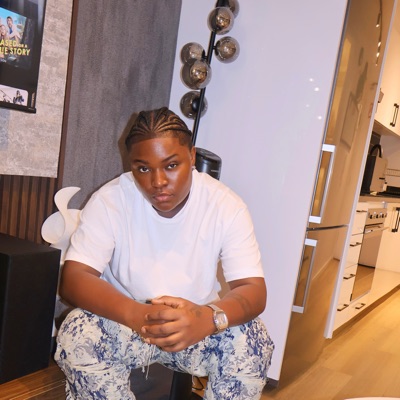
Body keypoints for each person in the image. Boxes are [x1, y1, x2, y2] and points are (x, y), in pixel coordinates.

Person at [54, 107, 274, 399]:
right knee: (78, 332)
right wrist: (139, 314)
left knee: (253, 339)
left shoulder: (226, 206)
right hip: (127, 323)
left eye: (171, 165)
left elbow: (253, 290)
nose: (157, 182)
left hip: (196, 323)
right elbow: (74, 278)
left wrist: (207, 319)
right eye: (143, 169)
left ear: (191, 157)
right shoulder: (110, 200)